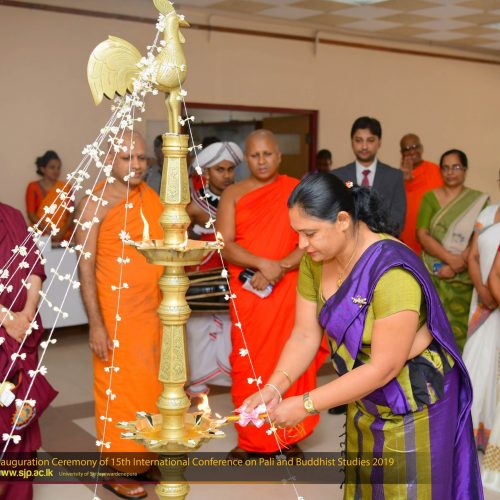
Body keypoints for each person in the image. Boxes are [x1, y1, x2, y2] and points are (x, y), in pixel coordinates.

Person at [244, 172, 483, 499]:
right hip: (363, 389)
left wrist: (307, 404)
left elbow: (384, 366)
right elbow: (304, 336)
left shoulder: (391, 269)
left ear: (343, 220)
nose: (301, 245)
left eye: (310, 233)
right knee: (368, 487)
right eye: (297, 233)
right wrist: (274, 387)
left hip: (414, 396)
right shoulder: (315, 260)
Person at [217, 129, 327, 456]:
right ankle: (251, 439)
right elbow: (225, 244)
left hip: (289, 288)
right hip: (250, 290)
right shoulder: (233, 194)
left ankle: (288, 436)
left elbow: (312, 237)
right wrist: (263, 264)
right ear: (245, 159)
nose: (262, 161)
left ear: (279, 156)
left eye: (267, 154)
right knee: (248, 361)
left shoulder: (296, 190)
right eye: (255, 155)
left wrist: (280, 266)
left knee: (291, 355)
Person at [76, 131, 163, 499]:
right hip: (116, 317)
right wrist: (96, 324)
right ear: (108, 159)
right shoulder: (93, 203)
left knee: (151, 388)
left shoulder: (150, 197)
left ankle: (143, 457)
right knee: (119, 392)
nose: (137, 165)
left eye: (142, 158)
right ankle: (117, 466)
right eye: (128, 158)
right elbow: (84, 268)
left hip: (153, 312)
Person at [0, 202, 57, 500]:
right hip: (8, 328)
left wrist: (26, 314)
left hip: (22, 330)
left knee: (19, 416)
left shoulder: (11, 215)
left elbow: (34, 266)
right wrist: (6, 319)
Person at [184, 141, 243, 397]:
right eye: (220, 169)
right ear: (207, 172)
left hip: (233, 274)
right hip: (202, 279)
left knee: (233, 329)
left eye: (230, 169)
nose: (227, 175)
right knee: (199, 331)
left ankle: (236, 379)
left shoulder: (242, 198)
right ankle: (198, 384)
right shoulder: (194, 206)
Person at [417, 149, 489, 351]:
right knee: (429, 329)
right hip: (433, 272)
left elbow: (479, 238)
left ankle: (457, 370)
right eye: (446, 168)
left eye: (456, 167)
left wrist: (459, 264)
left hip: (464, 278)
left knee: (459, 333)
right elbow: (422, 234)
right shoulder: (429, 198)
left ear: (465, 170)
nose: (450, 172)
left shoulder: (478, 201)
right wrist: (449, 260)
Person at [462, 192, 500, 451]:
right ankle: (472, 432)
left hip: (498, 300)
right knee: (477, 360)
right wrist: (483, 289)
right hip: (482, 301)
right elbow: (473, 256)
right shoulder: (487, 214)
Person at [333, 116, 406, 236]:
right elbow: (332, 215)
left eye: (370, 140)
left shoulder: (394, 177)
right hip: (346, 241)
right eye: (358, 140)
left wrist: (375, 240)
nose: (364, 146)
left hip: (383, 242)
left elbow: (397, 220)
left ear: (379, 142)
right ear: (352, 142)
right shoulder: (338, 176)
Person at [399, 134, 443, 254]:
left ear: (421, 148)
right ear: (402, 153)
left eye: (415, 147)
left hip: (433, 237)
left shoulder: (436, 170)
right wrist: (403, 180)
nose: (412, 152)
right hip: (407, 239)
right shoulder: (397, 176)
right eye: (407, 149)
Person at [25, 150, 73, 242]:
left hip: (63, 236)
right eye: (52, 167)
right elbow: (31, 214)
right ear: (43, 169)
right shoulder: (33, 187)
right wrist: (49, 231)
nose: (56, 171)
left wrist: (61, 232)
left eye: (58, 168)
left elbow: (71, 213)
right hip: (40, 236)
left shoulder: (66, 187)